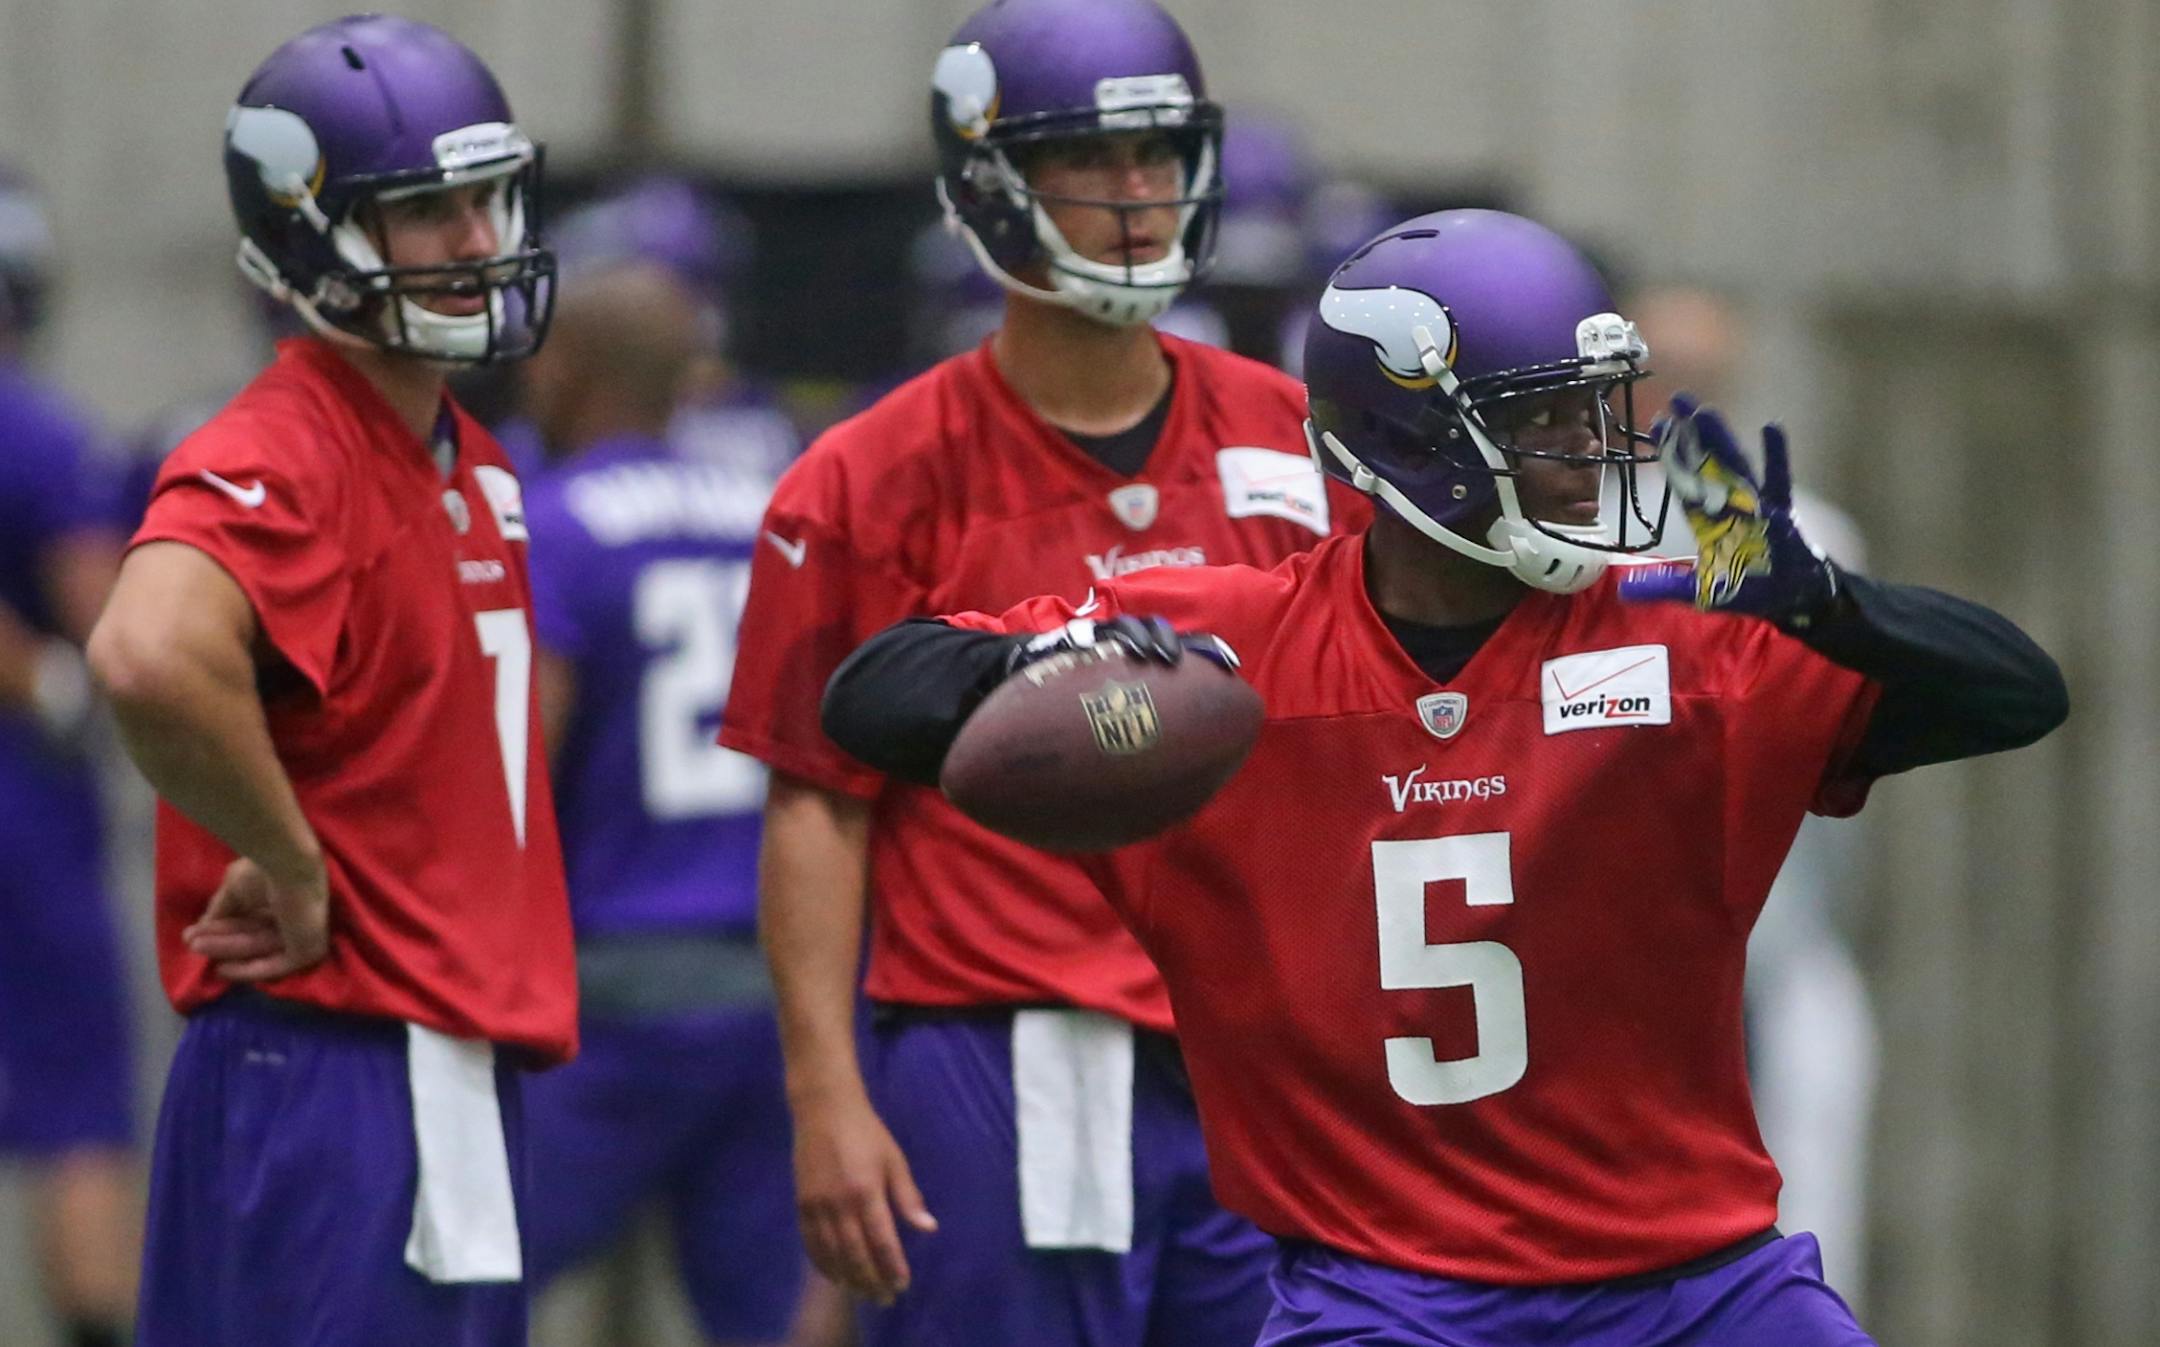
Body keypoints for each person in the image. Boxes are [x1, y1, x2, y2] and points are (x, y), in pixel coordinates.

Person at [819, 209, 2069, 1346]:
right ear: (1410, 442)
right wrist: (1067, 661)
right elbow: (873, 691)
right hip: (1389, 1294)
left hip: (1701, 1285)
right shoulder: (1226, 648)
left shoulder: (1690, 637)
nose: (1595, 449)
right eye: (1546, 420)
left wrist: (1835, 606)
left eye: (1599, 409)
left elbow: (2018, 692)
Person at [718, 1, 1367, 1342]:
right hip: (1001, 1039)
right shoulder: (862, 475)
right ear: (989, 179)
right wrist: (825, 1093)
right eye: (1088, 158)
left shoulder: (1295, 434)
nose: (1136, 197)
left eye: (1158, 155)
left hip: (1259, 1039)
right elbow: (816, 801)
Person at [84, 16, 573, 1346]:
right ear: (311, 233)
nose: (478, 238)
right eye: (427, 210)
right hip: (332, 1063)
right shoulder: (289, 446)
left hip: (435, 1058)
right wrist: (289, 860)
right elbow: (144, 648)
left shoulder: (462, 448)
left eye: (486, 196)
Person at [516, 260, 835, 1347]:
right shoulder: (776, 510)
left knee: (454, 1280)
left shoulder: (553, 525)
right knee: (776, 1318)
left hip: (608, 1000)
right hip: (773, 986)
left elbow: (516, 762)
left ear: (564, 369)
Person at [0, 166, 141, 1347]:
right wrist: (47, 683)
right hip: (24, 821)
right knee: (75, 1113)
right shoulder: (39, 436)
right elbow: (101, 649)